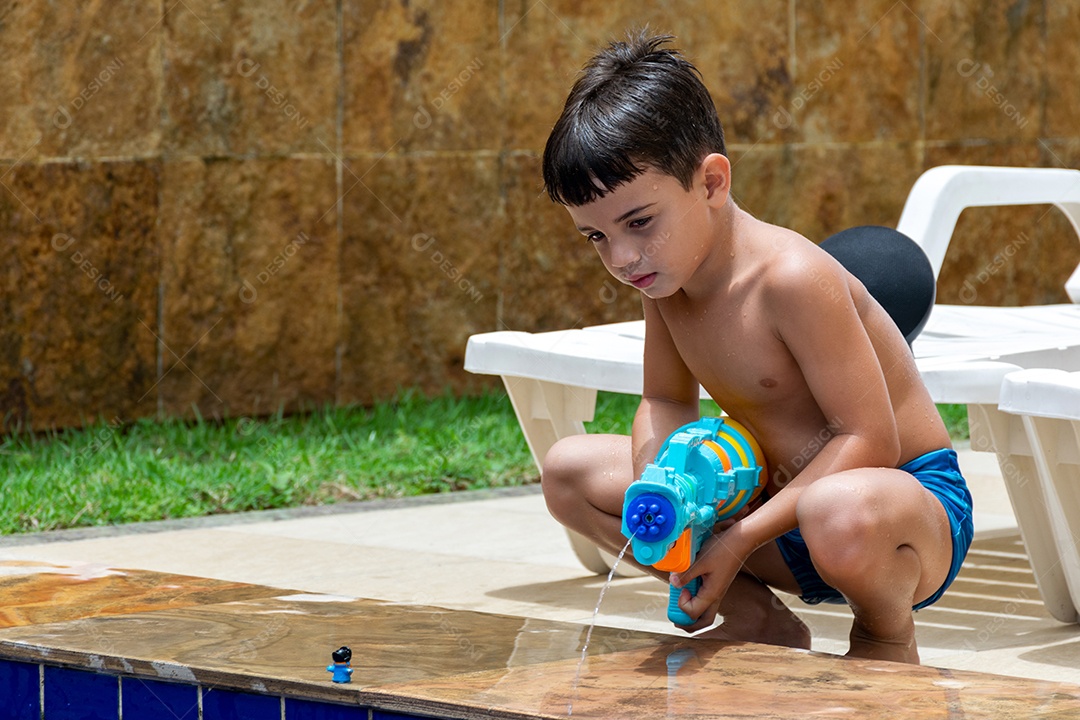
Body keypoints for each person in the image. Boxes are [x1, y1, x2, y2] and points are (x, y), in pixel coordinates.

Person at [539, 31, 973, 665]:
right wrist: (662, 487)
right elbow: (664, 400)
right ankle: (754, 615)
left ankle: (884, 635)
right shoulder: (666, 283)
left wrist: (737, 539)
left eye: (639, 222)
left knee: (836, 508)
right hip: (775, 507)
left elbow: (869, 440)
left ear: (711, 182)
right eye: (595, 237)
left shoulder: (791, 278)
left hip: (893, 512)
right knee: (567, 473)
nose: (622, 257)